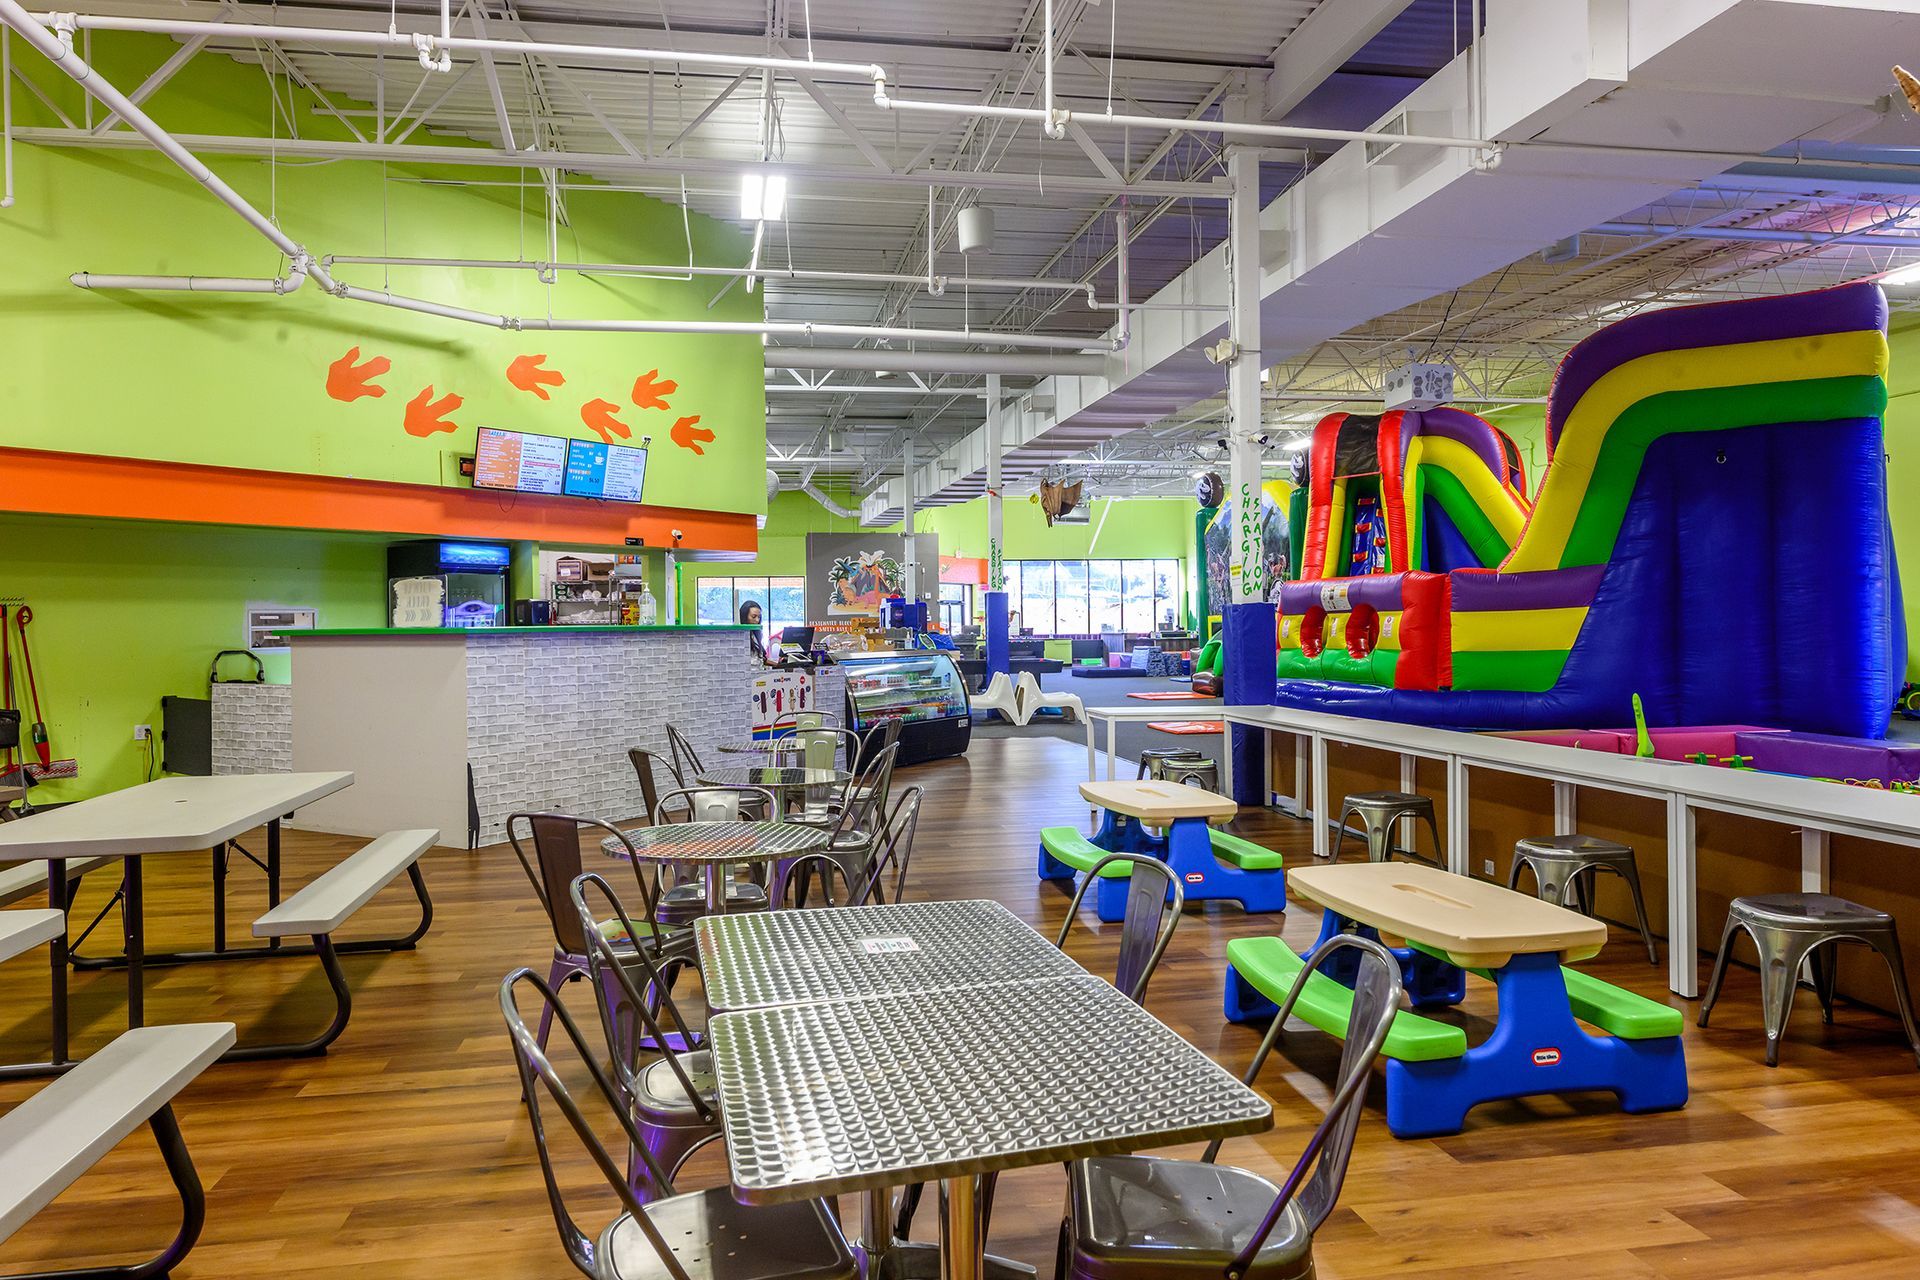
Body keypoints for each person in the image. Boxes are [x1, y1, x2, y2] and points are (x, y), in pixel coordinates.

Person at [739, 599, 767, 664]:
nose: (757, 620)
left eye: (759, 617)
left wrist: (779, 665)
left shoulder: (755, 634)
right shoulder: (740, 636)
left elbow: (760, 659)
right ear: (744, 617)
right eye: (753, 616)